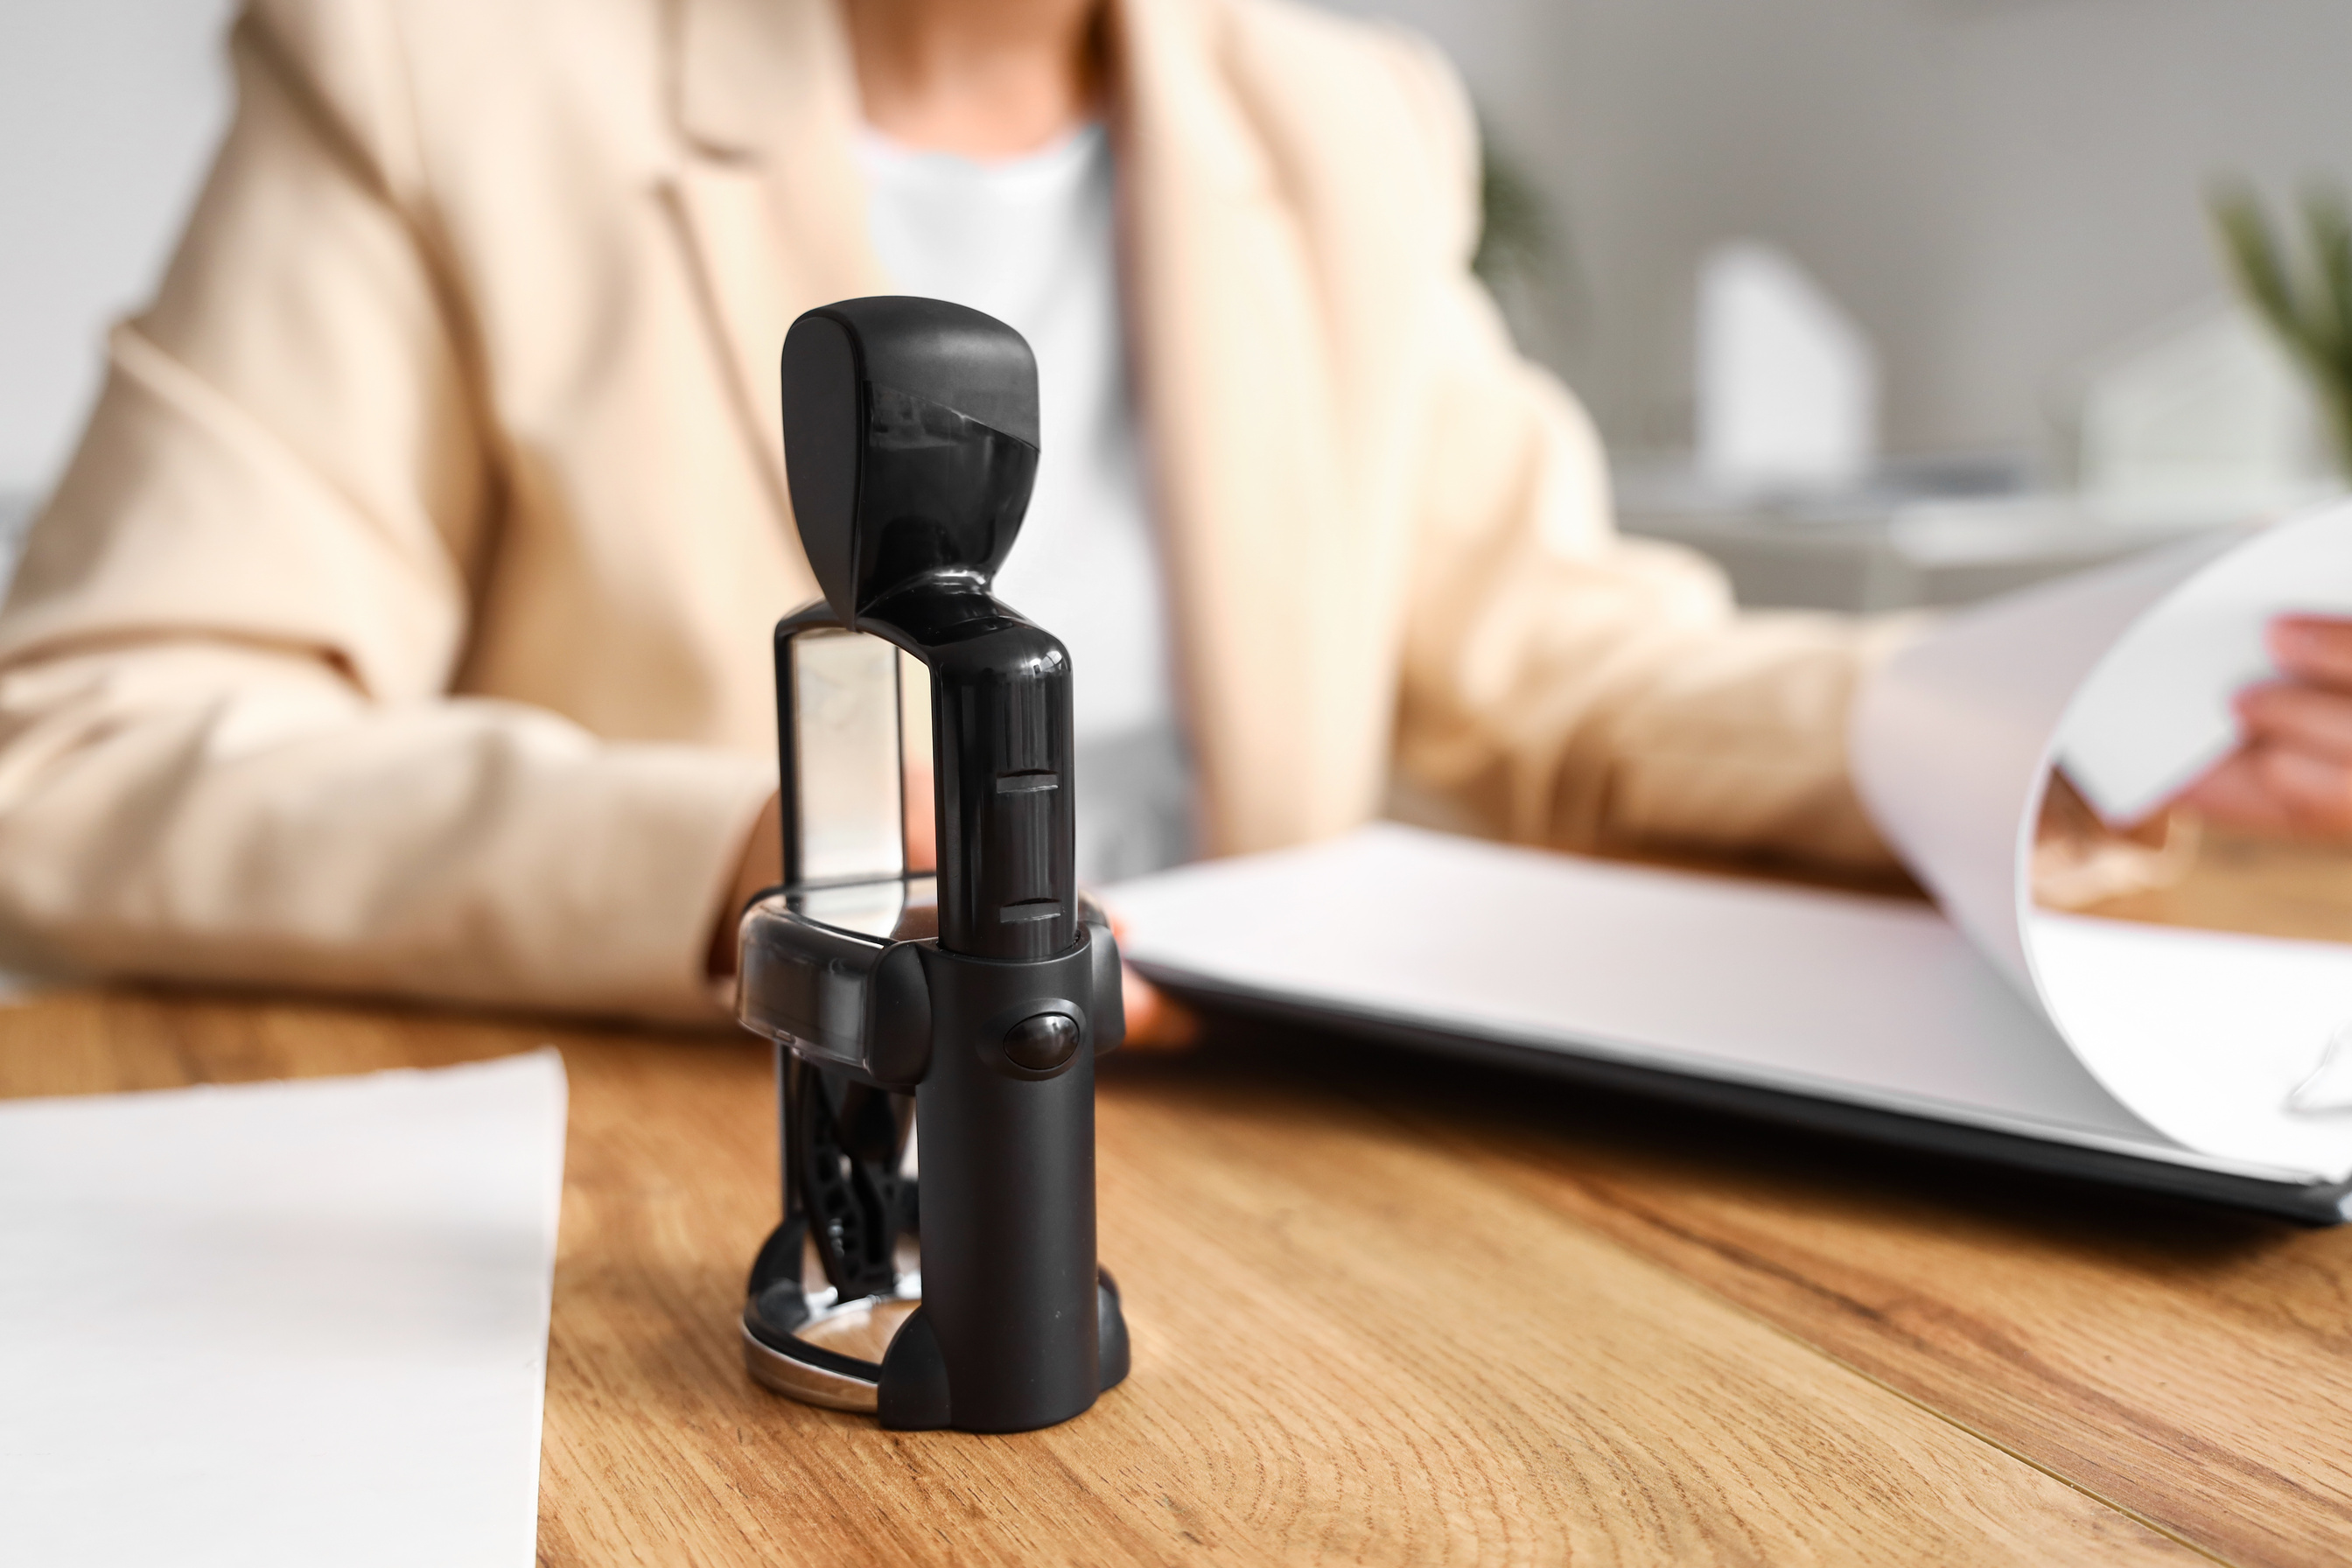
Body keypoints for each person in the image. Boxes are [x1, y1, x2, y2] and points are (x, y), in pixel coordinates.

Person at [0, 0, 2344, 1032]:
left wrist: (2080, 734)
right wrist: (756, 863)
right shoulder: (433, 66)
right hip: (708, 1163)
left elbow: (1576, 668)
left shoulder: (1340, 122)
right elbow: (91, 745)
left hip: (1253, 1148)